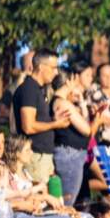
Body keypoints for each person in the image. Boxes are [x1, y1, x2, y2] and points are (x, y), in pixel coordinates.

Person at [12, 49, 71, 183]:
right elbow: (28, 126)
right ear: (42, 67)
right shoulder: (29, 89)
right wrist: (55, 124)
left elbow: (37, 120)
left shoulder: (38, 89)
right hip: (35, 155)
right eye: (54, 68)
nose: (56, 72)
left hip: (42, 156)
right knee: (40, 200)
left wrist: (53, 119)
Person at [51, 73, 100, 206]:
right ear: (67, 83)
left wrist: (82, 103)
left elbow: (82, 122)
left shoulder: (60, 102)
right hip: (70, 156)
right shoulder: (63, 104)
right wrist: (97, 120)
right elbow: (87, 131)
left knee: (69, 199)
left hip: (72, 155)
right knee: (67, 201)